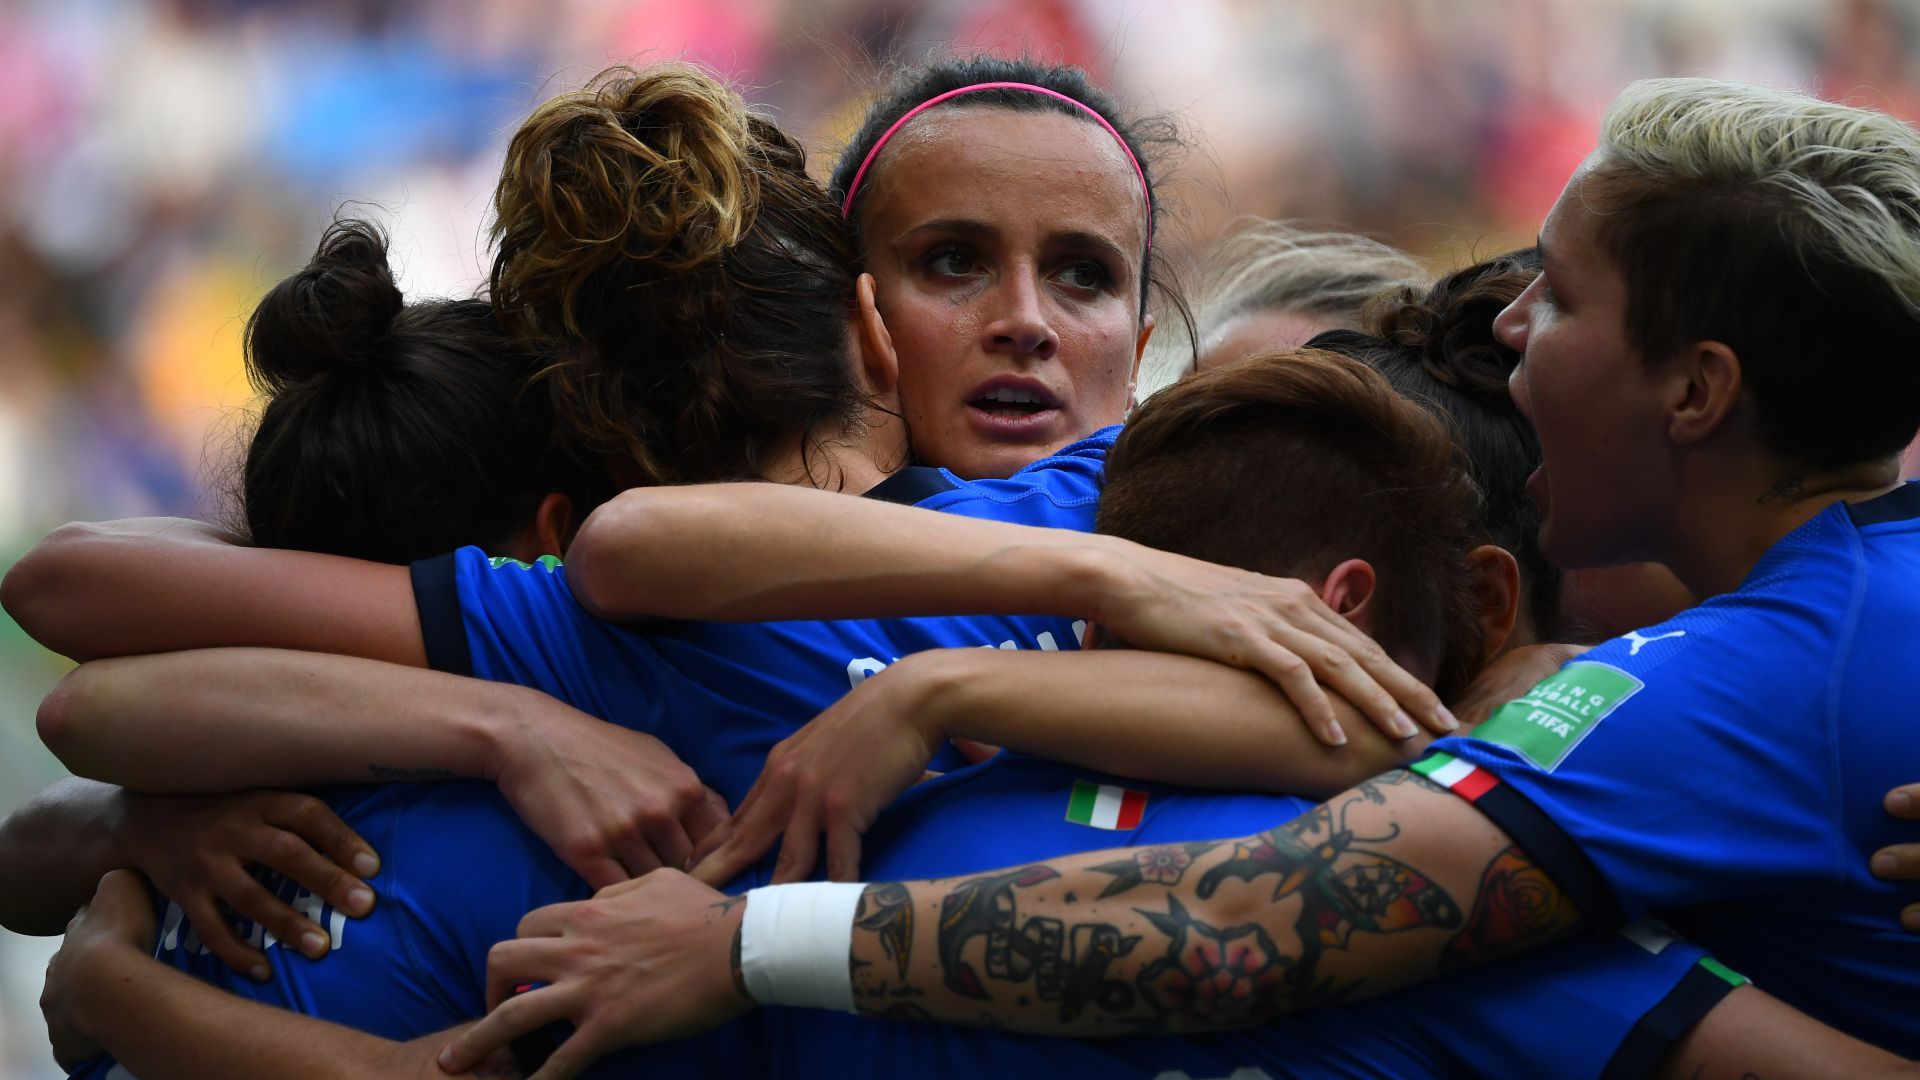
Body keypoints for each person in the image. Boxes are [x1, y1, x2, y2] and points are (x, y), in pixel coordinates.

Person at [432, 76, 1920, 1068]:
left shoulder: (1688, 703)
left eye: (1568, 295)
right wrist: (500, 726)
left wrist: (753, 942)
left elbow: (1248, 921)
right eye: (954, 262)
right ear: (856, 319)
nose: (1512, 322)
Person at [44, 348, 1869, 1080]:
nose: (1022, 339)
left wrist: (937, 694)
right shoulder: (851, 602)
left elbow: (1382, 748)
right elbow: (88, 707)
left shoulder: (1404, 821)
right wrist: (495, 734)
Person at [2, 60, 1438, 968]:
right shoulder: (659, 591)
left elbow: (1431, 736)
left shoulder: (1180, 509)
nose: (1023, 325)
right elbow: (58, 764)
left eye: (1082, 277)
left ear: (1146, 320)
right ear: (857, 318)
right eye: (952, 264)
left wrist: (975, 671)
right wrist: (153, 828)